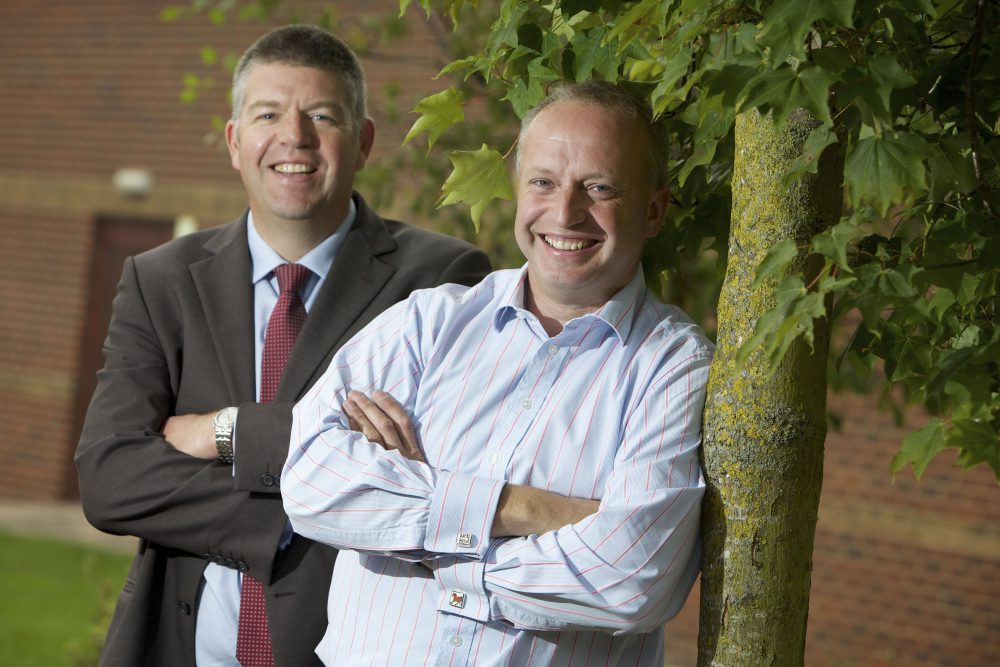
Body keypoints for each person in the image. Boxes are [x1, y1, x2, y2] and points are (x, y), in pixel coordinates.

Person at [75, 24, 491, 667]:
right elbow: (109, 477)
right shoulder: (160, 280)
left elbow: (430, 474)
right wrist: (308, 509)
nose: (294, 137)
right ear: (235, 142)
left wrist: (228, 432)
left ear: (363, 142)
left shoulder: (440, 279)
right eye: (268, 114)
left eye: (321, 115)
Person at [282, 80, 713, 666]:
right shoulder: (427, 324)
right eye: (543, 182)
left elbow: (632, 579)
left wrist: (425, 540)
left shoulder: (673, 366)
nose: (565, 212)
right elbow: (309, 480)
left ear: (654, 210)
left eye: (600, 187)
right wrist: (528, 511)